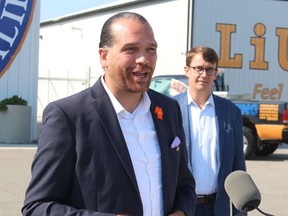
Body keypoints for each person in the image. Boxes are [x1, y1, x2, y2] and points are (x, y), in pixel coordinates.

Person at [22, 12, 196, 216]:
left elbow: (184, 184)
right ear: (104, 57)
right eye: (130, 49)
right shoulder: (68, 116)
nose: (143, 59)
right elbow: (37, 207)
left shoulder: (168, 109)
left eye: (151, 50)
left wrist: (181, 212)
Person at [174, 46, 246, 215]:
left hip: (216, 208)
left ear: (215, 73)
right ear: (187, 70)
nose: (204, 75)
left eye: (209, 69)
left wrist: (240, 212)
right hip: (179, 208)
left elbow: (238, 168)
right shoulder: (171, 110)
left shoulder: (230, 112)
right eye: (198, 68)